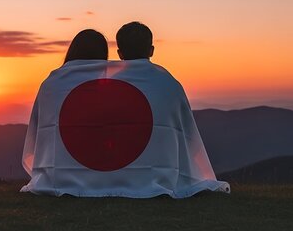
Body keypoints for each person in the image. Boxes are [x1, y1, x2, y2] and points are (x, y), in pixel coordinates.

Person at [21, 23, 229, 198]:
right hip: (152, 177)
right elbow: (184, 135)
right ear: (151, 50)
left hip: (66, 176)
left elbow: (42, 132)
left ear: (119, 53)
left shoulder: (54, 82)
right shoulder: (167, 83)